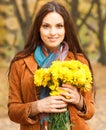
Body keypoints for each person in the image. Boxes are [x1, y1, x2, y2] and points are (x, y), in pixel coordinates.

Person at [8, 1, 95, 130]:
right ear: (38, 28)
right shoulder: (20, 63)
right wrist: (37, 106)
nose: (53, 32)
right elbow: (12, 111)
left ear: (66, 29)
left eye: (59, 26)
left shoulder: (79, 61)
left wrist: (78, 100)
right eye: (46, 26)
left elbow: (90, 111)